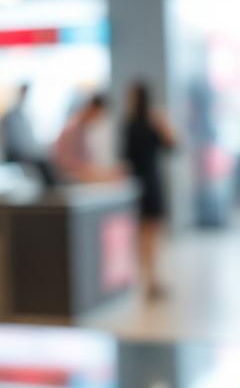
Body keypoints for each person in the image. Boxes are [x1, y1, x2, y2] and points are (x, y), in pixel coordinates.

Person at [123, 81, 176, 299]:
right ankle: (148, 280)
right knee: (146, 235)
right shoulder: (135, 124)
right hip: (145, 183)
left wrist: (163, 123)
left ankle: (150, 279)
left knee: (149, 235)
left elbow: (172, 146)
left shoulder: (146, 123)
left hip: (145, 183)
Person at [52, 93, 121, 183]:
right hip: (68, 177)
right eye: (99, 114)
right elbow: (67, 164)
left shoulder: (82, 128)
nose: (99, 119)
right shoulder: (74, 129)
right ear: (93, 109)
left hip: (77, 172)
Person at [0, 84, 56, 186]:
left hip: (26, 153)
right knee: (42, 166)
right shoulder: (11, 116)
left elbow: (29, 140)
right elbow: (16, 144)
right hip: (16, 156)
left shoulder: (24, 115)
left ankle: (52, 194)